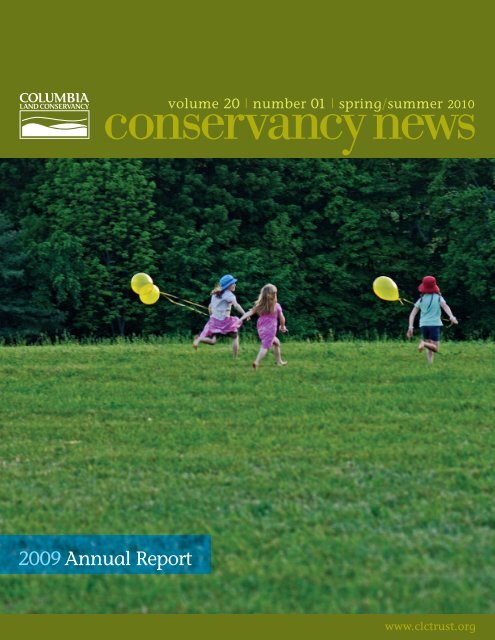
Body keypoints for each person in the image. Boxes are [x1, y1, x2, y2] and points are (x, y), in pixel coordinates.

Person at [407, 275, 458, 363]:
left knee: (429, 346)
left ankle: (430, 364)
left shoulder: (421, 299)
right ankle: (423, 343)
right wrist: (451, 317)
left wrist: (410, 327)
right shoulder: (438, 298)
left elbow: (412, 314)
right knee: (435, 348)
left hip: (424, 325)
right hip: (434, 324)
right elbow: (445, 307)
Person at [193, 274, 246, 357]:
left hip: (215, 321)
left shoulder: (215, 294)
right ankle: (235, 358)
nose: (235, 284)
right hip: (224, 321)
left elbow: (210, 306)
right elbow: (236, 305)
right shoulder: (229, 295)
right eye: (233, 283)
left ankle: (199, 339)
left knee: (213, 341)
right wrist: (245, 314)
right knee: (235, 336)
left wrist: (211, 316)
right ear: (228, 285)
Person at [239, 283, 288, 369]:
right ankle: (256, 362)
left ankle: (279, 362)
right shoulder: (277, 306)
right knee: (265, 346)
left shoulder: (260, 305)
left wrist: (241, 319)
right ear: (274, 295)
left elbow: (250, 312)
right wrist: (282, 326)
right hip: (271, 329)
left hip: (261, 328)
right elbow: (282, 318)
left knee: (276, 343)